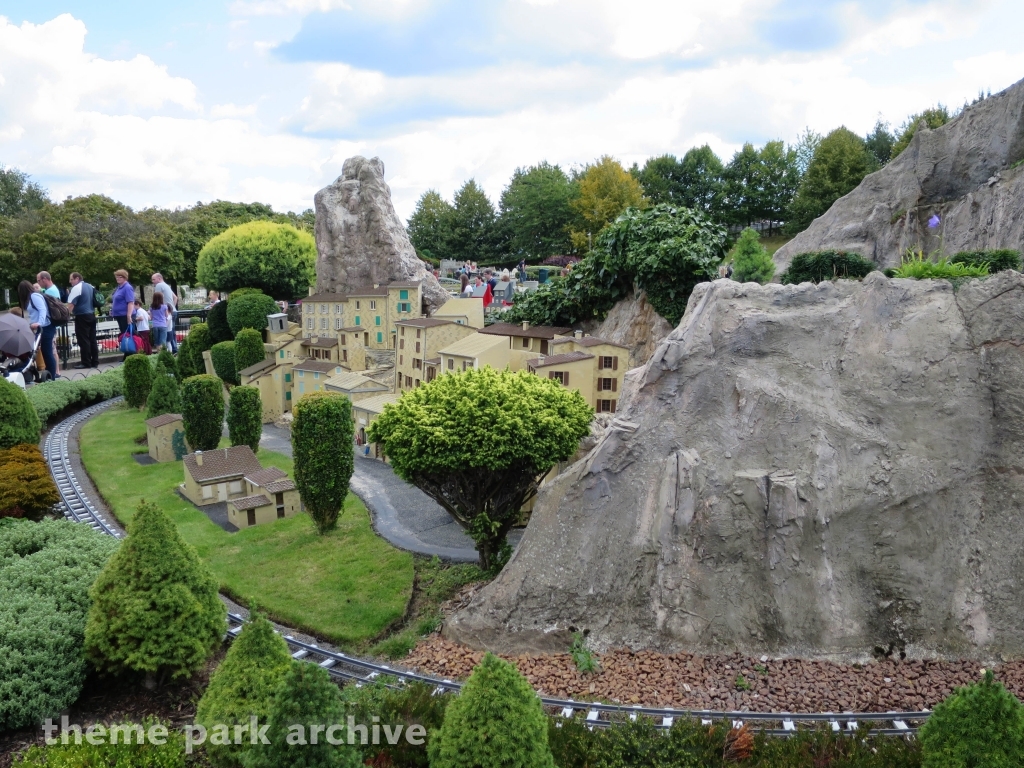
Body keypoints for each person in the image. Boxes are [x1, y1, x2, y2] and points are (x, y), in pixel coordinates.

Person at [18, 280, 58, 380]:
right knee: (42, 351)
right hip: (41, 327)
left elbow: (42, 309)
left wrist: (39, 322)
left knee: (47, 352)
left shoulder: (34, 296)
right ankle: (49, 375)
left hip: (45, 327)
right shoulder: (32, 297)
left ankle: (52, 377)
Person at [67, 272, 99, 369]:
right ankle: (95, 362)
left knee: (83, 340)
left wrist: (65, 316)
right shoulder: (90, 286)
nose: (70, 282)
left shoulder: (76, 288)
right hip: (91, 314)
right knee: (92, 339)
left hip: (82, 316)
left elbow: (71, 305)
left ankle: (86, 362)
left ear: (77, 278)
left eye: (71, 279)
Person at [151, 273, 178, 353]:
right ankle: (174, 350)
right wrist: (171, 308)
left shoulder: (159, 285)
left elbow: (156, 298)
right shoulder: (167, 286)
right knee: (171, 332)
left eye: (154, 279)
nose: (152, 281)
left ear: (159, 278)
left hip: (165, 314)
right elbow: (175, 297)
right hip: (173, 311)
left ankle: (165, 353)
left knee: (163, 337)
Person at [110, 269, 136, 335]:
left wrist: (129, 316)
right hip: (120, 316)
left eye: (120, 277)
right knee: (124, 335)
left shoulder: (127, 287)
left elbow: (131, 302)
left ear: (125, 277)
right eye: (116, 277)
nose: (117, 278)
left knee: (128, 335)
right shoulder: (119, 287)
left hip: (125, 316)